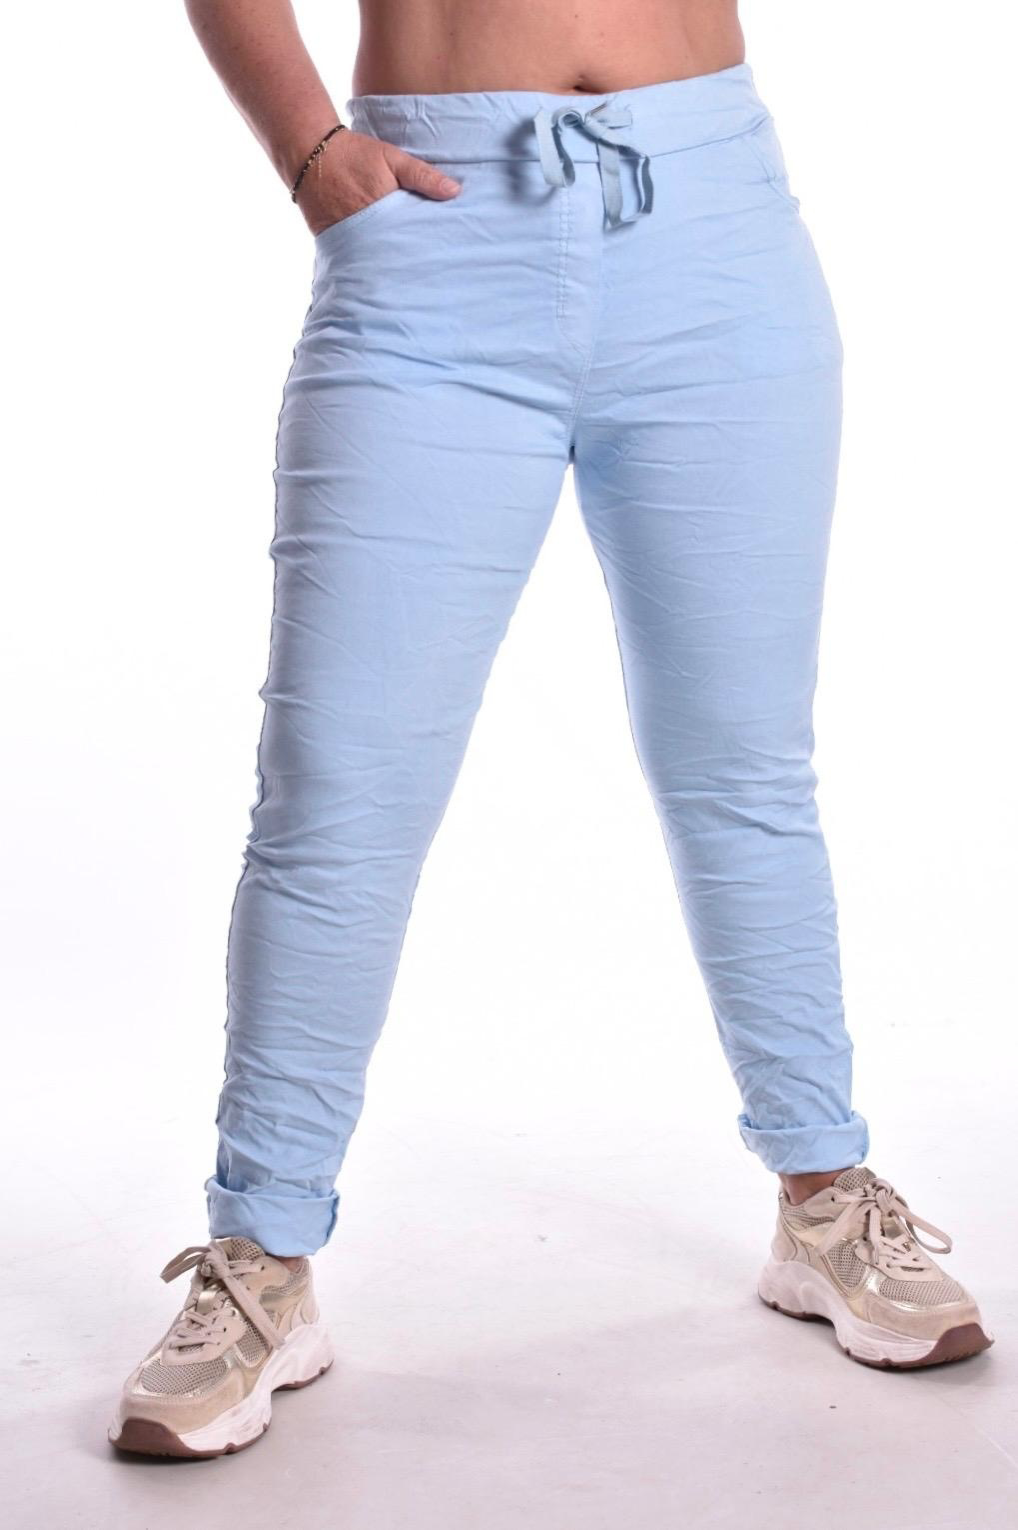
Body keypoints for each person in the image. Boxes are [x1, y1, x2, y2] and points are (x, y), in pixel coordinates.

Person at [108, 0, 991, 1459]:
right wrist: (309, 149)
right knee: (338, 792)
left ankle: (824, 1198)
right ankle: (260, 1258)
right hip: (431, 239)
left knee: (742, 768)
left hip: (711, 225)